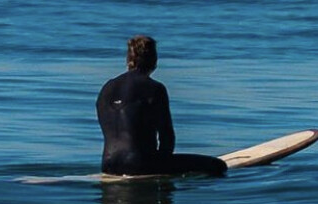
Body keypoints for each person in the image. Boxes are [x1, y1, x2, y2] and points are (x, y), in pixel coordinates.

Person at [96, 35, 227, 178]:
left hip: (108, 164)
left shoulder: (106, 88)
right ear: (154, 60)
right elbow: (167, 137)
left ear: (128, 60)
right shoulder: (154, 88)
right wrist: (165, 173)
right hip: (140, 164)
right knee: (219, 166)